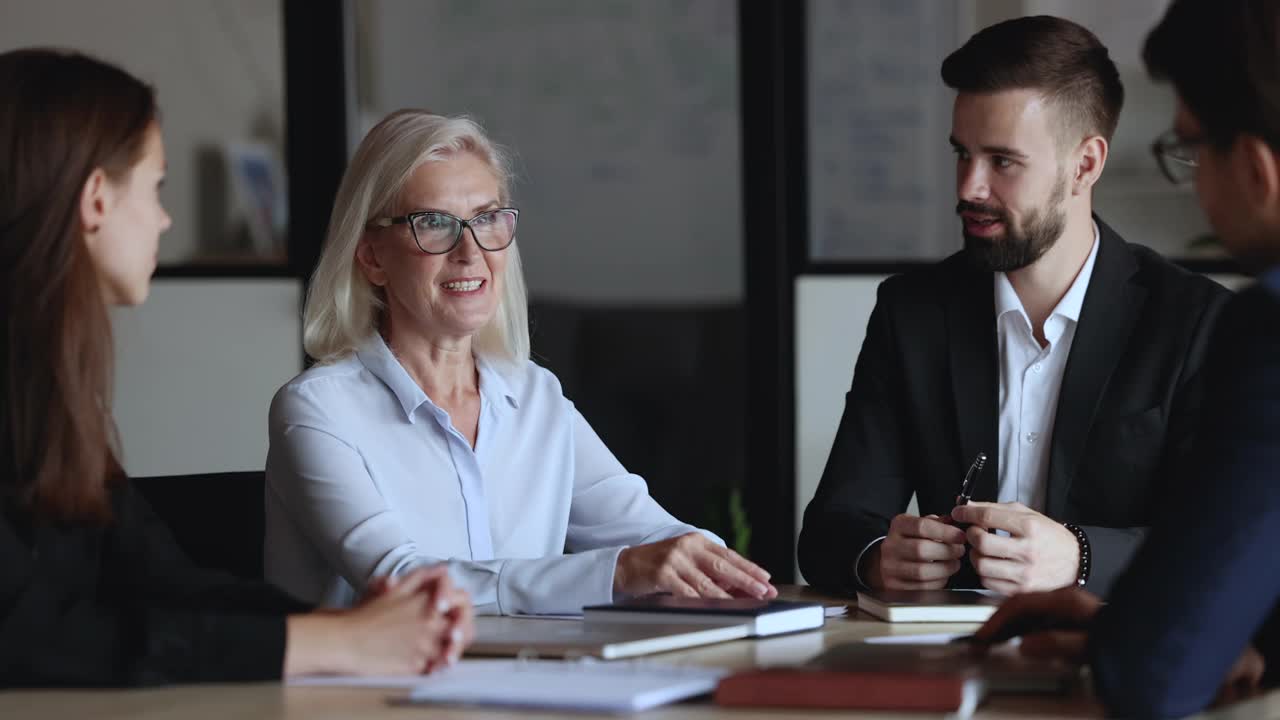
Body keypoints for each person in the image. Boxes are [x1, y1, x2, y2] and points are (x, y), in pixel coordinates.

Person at [0, 48, 472, 687]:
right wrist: (331, 640)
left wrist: (349, 623)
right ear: (95, 201)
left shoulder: (48, 395)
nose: (165, 218)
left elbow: (158, 581)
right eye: (156, 186)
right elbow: (33, 639)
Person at [263, 110, 776, 615]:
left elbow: (648, 530)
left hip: (527, 684)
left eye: (486, 219)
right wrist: (616, 572)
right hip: (367, 696)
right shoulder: (317, 410)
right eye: (434, 224)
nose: (470, 251)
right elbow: (404, 585)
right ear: (372, 257)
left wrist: (701, 561)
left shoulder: (534, 395)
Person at [798, 15, 1230, 598]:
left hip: (1106, 663)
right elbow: (831, 529)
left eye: (1002, 161)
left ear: (1085, 165)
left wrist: (1081, 557)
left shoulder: (1196, 321)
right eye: (962, 154)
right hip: (946, 662)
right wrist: (880, 559)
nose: (969, 187)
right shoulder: (913, 312)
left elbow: (1221, 548)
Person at [974, 1, 1280, 716]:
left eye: (1194, 150)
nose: (1199, 185)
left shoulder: (1263, 330)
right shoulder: (915, 309)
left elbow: (1154, 678)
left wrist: (1135, 640)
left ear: (1258, 168)